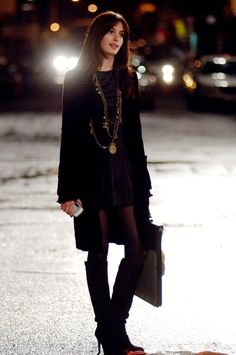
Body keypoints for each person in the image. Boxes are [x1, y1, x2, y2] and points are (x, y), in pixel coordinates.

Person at [57, 11, 152, 355]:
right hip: (89, 176)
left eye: (121, 34)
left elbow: (135, 136)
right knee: (97, 253)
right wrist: (65, 192)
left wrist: (145, 184)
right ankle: (110, 333)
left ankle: (113, 324)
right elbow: (69, 136)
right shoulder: (77, 79)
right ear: (97, 35)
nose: (116, 39)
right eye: (110, 32)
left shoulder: (128, 78)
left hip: (124, 172)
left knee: (137, 249)